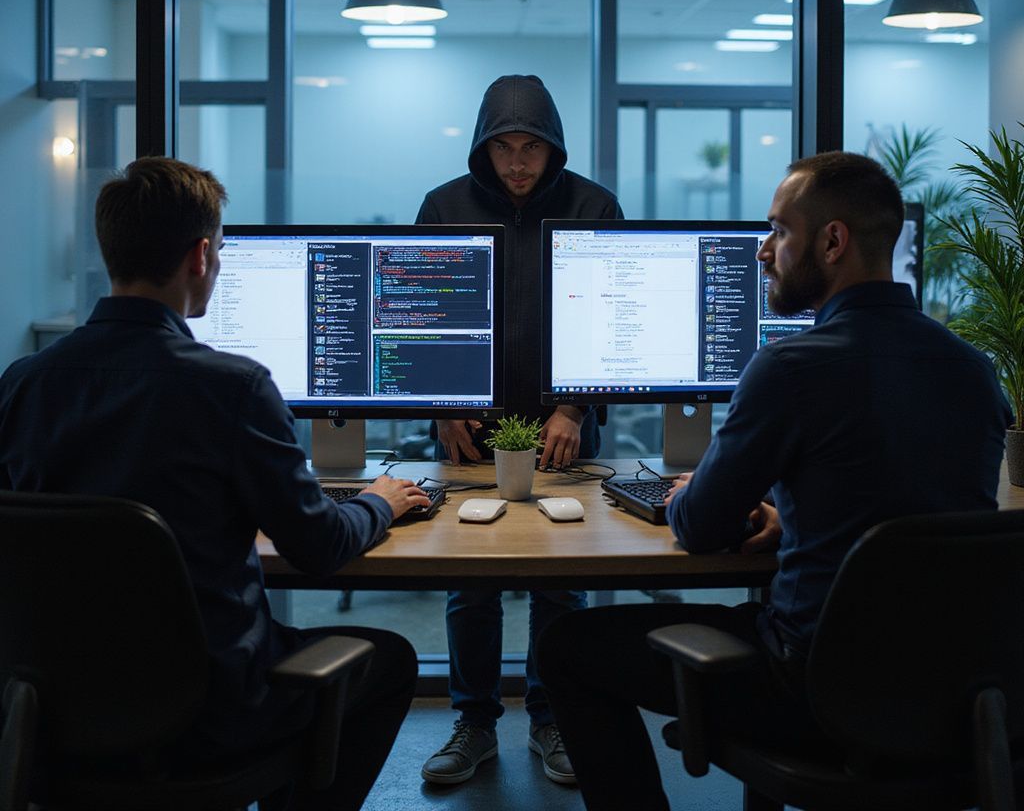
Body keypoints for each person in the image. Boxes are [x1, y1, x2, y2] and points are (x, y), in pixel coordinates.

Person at [536, 151, 1011, 811]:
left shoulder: (791, 368)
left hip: (814, 691)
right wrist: (797, 516)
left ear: (832, 241)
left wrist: (686, 496)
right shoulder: (974, 371)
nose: (764, 252)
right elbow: (929, 518)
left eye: (779, 231)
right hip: (950, 696)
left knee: (567, 646)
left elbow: (700, 528)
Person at [0, 157, 431, 811]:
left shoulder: (24, 384)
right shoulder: (232, 389)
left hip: (56, 709)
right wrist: (378, 502)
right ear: (201, 256)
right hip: (209, 714)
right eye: (223, 250)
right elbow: (316, 546)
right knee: (392, 660)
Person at [415, 74, 623, 787]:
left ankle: (554, 717)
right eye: (502, 147)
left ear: (552, 147)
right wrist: (440, 405)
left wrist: (574, 406)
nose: (517, 163)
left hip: (563, 426)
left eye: (532, 146)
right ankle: (473, 722)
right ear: (483, 146)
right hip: (467, 425)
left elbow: (605, 321)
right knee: (469, 579)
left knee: (560, 582)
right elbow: (421, 318)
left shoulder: (594, 205)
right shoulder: (444, 207)